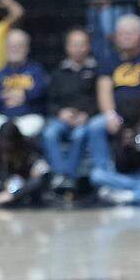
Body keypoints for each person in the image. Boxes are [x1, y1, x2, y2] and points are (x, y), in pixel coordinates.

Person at [88, 14, 140, 171]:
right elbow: (104, 90)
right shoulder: (108, 60)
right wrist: (110, 115)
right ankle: (104, 173)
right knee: (95, 125)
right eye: (122, 33)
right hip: (116, 114)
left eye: (130, 33)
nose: (125, 37)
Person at [0, 29, 48, 165]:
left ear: (27, 48)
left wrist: (24, 96)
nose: (14, 49)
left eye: (18, 46)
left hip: (29, 116)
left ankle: (29, 168)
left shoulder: (36, 70)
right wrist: (10, 97)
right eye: (10, 46)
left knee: (24, 130)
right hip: (3, 117)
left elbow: (41, 92)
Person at [43, 28, 98, 191]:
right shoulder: (58, 72)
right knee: (49, 133)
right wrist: (61, 113)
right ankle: (60, 175)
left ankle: (70, 176)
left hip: (86, 118)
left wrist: (87, 114)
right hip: (62, 118)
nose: (78, 48)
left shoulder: (96, 70)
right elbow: (50, 101)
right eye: (74, 45)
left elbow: (99, 99)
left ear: (88, 46)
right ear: (67, 47)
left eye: (82, 44)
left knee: (79, 135)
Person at [0, 120, 50, 207]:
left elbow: (41, 164)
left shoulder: (28, 144)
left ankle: (11, 197)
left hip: (25, 182)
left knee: (37, 181)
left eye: (9, 142)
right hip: (6, 182)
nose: (7, 145)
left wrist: (37, 168)